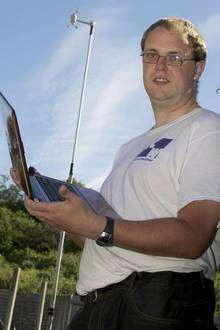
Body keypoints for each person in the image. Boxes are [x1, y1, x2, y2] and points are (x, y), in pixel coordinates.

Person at [11, 17, 220, 329]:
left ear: (198, 68)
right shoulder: (128, 149)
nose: (159, 66)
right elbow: (104, 238)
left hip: (157, 304)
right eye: (151, 55)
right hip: (99, 306)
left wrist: (97, 225)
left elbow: (193, 236)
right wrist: (64, 217)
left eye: (174, 57)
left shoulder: (207, 129)